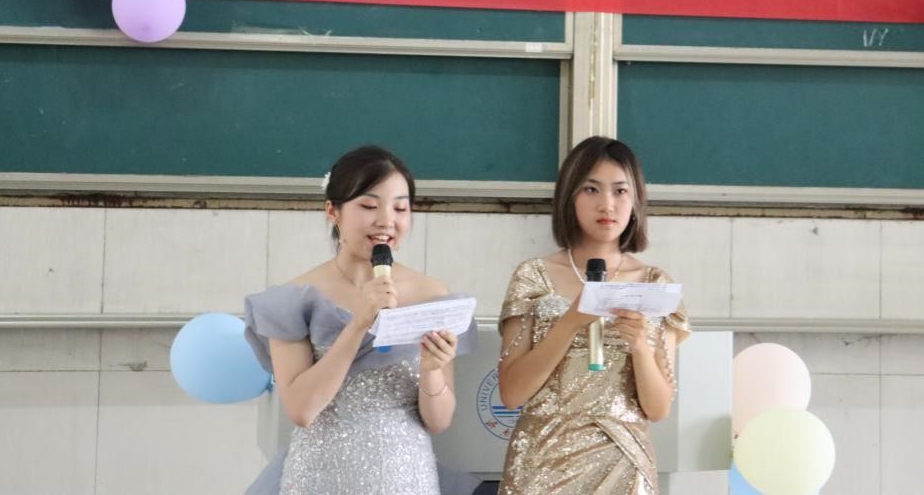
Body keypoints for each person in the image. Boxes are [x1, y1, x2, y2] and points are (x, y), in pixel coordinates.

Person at [243, 145, 475, 495]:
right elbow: (302, 410)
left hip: (406, 479)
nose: (386, 220)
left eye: (400, 208)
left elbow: (439, 421)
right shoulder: (293, 298)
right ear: (332, 211)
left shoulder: (432, 294)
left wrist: (431, 369)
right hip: (319, 480)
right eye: (369, 206)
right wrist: (359, 324)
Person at [496, 136, 690, 494]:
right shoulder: (533, 276)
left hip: (624, 462)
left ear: (636, 200)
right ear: (569, 196)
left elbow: (658, 409)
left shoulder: (655, 284)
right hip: (543, 463)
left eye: (620, 191)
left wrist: (640, 346)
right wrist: (570, 322)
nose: (607, 204)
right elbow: (511, 393)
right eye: (591, 189)